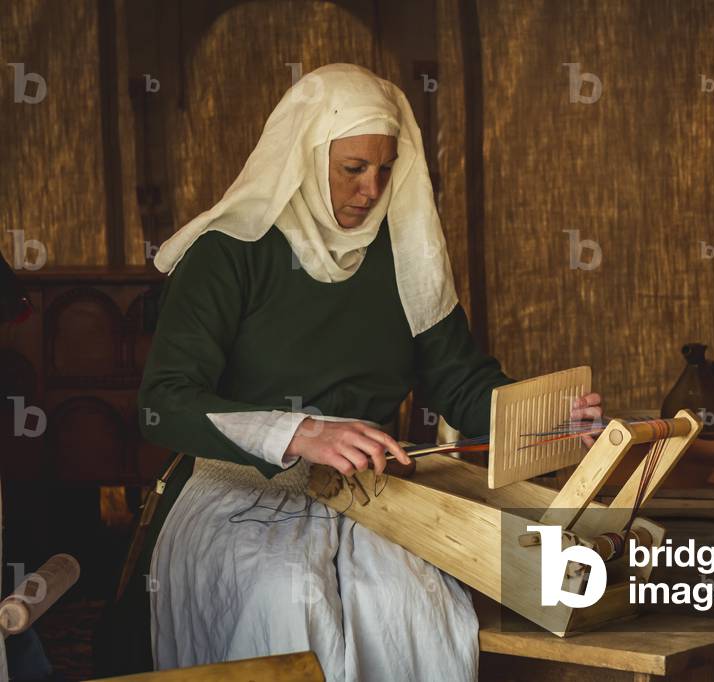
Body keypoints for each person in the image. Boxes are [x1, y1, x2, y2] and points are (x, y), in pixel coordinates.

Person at [124, 64, 602, 681]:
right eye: (353, 168)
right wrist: (301, 435)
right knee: (286, 598)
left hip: (375, 495)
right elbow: (165, 400)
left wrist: (547, 418)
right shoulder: (229, 252)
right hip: (242, 492)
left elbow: (458, 380)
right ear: (306, 155)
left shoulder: (406, 252)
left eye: (386, 167)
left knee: (409, 605)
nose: (372, 189)